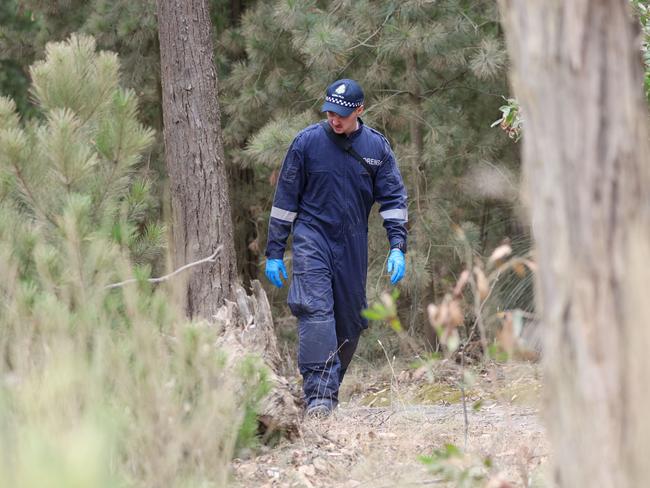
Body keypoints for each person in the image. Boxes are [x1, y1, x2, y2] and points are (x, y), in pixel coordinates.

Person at [264, 79, 408, 417]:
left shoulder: (376, 149)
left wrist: (397, 245)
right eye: (330, 112)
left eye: (342, 114)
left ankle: (327, 389)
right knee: (316, 311)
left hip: (352, 242)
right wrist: (274, 250)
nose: (335, 120)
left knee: (349, 320)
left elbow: (393, 200)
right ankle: (319, 400)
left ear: (360, 110)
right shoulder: (307, 144)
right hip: (312, 237)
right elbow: (284, 202)